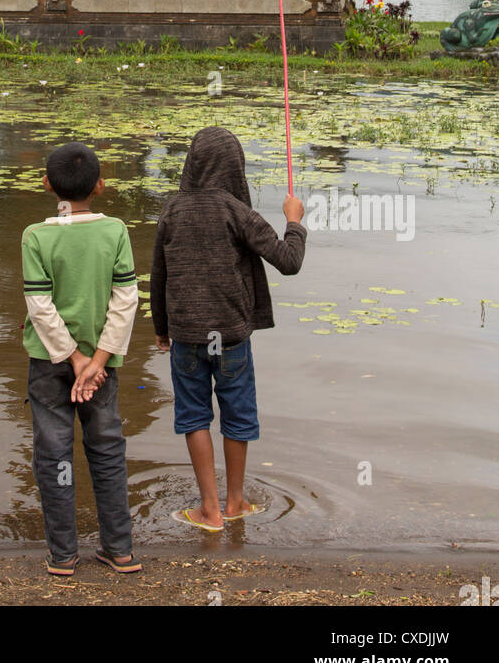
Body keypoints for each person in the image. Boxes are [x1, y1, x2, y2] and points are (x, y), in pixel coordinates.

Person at [151, 127, 307, 532]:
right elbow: (289, 260)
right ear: (235, 168)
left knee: (194, 418)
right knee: (237, 416)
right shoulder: (237, 211)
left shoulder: (171, 211)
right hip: (233, 337)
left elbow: (158, 275)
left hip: (185, 336)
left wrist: (161, 329)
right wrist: (294, 221)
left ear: (192, 164)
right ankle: (235, 502)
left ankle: (209, 510)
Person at [22, 141, 140, 577]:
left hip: (48, 362)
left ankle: (63, 556)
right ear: (101, 186)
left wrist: (73, 359)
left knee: (54, 454)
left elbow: (39, 305)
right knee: (107, 448)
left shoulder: (36, 235)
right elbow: (126, 300)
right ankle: (120, 550)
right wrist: (98, 360)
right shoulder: (116, 232)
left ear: (48, 184)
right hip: (102, 366)